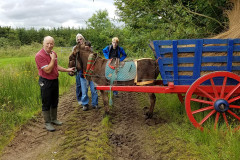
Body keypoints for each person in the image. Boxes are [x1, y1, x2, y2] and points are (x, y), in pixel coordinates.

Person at [35, 36, 75, 132]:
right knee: (46, 101)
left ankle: (54, 119)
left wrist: (67, 70)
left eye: (51, 43)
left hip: (54, 80)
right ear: (43, 44)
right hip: (45, 81)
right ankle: (47, 122)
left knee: (54, 100)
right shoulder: (39, 56)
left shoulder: (54, 53)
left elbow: (56, 67)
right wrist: (52, 59)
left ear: (54, 44)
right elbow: (48, 70)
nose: (49, 45)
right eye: (47, 43)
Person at [79, 41, 99, 111]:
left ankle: (95, 104)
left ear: (90, 47)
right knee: (84, 91)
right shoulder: (80, 55)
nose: (86, 49)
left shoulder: (93, 55)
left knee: (94, 90)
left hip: (92, 76)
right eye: (85, 48)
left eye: (87, 48)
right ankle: (85, 104)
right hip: (84, 76)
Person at [73, 33, 85, 106]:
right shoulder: (75, 47)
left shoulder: (86, 46)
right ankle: (79, 98)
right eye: (78, 39)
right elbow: (73, 57)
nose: (79, 40)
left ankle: (85, 98)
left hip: (86, 68)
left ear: (83, 39)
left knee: (86, 84)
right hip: (78, 68)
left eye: (80, 39)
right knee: (79, 84)